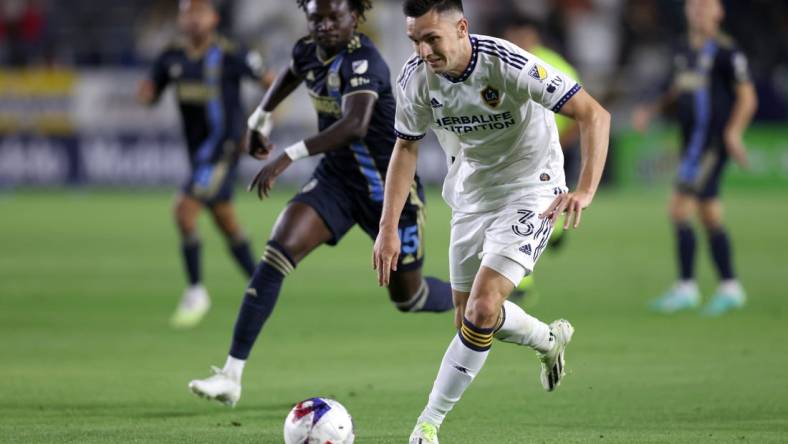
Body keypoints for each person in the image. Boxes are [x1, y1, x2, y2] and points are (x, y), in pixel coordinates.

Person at [187, 0, 454, 407]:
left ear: (355, 18)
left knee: (409, 298)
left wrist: (287, 155)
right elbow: (293, 73)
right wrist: (259, 117)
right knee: (276, 253)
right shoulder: (307, 50)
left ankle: (473, 297)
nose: (326, 26)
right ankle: (231, 375)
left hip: (390, 193)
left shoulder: (365, 61)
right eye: (317, 18)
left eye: (335, 17)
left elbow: (355, 124)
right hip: (337, 181)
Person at [372, 1, 610, 442]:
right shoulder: (415, 78)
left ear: (461, 28)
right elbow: (405, 149)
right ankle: (547, 339)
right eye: (415, 40)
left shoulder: (509, 63)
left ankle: (428, 424)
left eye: (432, 39)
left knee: (482, 309)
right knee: (469, 319)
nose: (423, 51)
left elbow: (594, 114)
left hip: (531, 191)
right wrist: (388, 227)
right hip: (470, 195)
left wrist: (585, 190)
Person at [138, 0, 272, 329]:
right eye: (188, 14)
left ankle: (196, 291)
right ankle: (262, 285)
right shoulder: (172, 56)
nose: (194, 20)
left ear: (213, 18)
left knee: (183, 210)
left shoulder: (230, 52)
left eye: (200, 14)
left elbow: (271, 82)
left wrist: (258, 126)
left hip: (223, 149)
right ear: (181, 19)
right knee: (225, 219)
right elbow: (150, 91)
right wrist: (146, 93)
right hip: (197, 153)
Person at [633, 0, 757, 316]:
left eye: (706, 6)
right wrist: (653, 110)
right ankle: (730, 286)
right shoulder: (682, 49)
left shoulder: (727, 51)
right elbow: (678, 90)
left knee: (678, 208)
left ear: (719, 13)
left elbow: (747, 97)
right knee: (710, 215)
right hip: (691, 145)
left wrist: (733, 133)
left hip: (711, 144)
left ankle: (687, 287)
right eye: (695, 6)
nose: (700, 11)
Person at [502, 15, 583, 301]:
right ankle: (521, 284)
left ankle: (555, 231)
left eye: (522, 35)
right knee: (518, 210)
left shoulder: (555, 66)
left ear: (533, 36)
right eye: (514, 35)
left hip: (555, 152)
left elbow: (581, 112)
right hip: (517, 155)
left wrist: (558, 145)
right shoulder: (502, 65)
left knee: (539, 209)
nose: (518, 41)